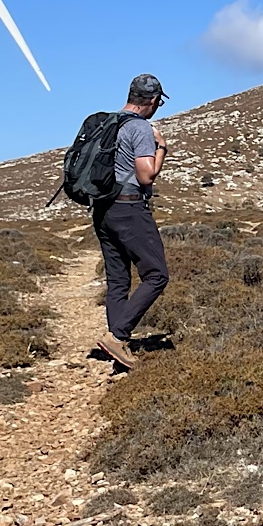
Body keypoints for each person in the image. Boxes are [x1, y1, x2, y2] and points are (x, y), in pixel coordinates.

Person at [93, 74, 171, 370]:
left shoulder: (108, 123)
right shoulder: (140, 128)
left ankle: (116, 343)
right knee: (156, 275)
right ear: (152, 101)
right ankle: (118, 336)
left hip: (103, 210)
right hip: (128, 208)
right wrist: (161, 147)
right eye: (158, 102)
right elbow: (146, 175)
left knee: (117, 279)